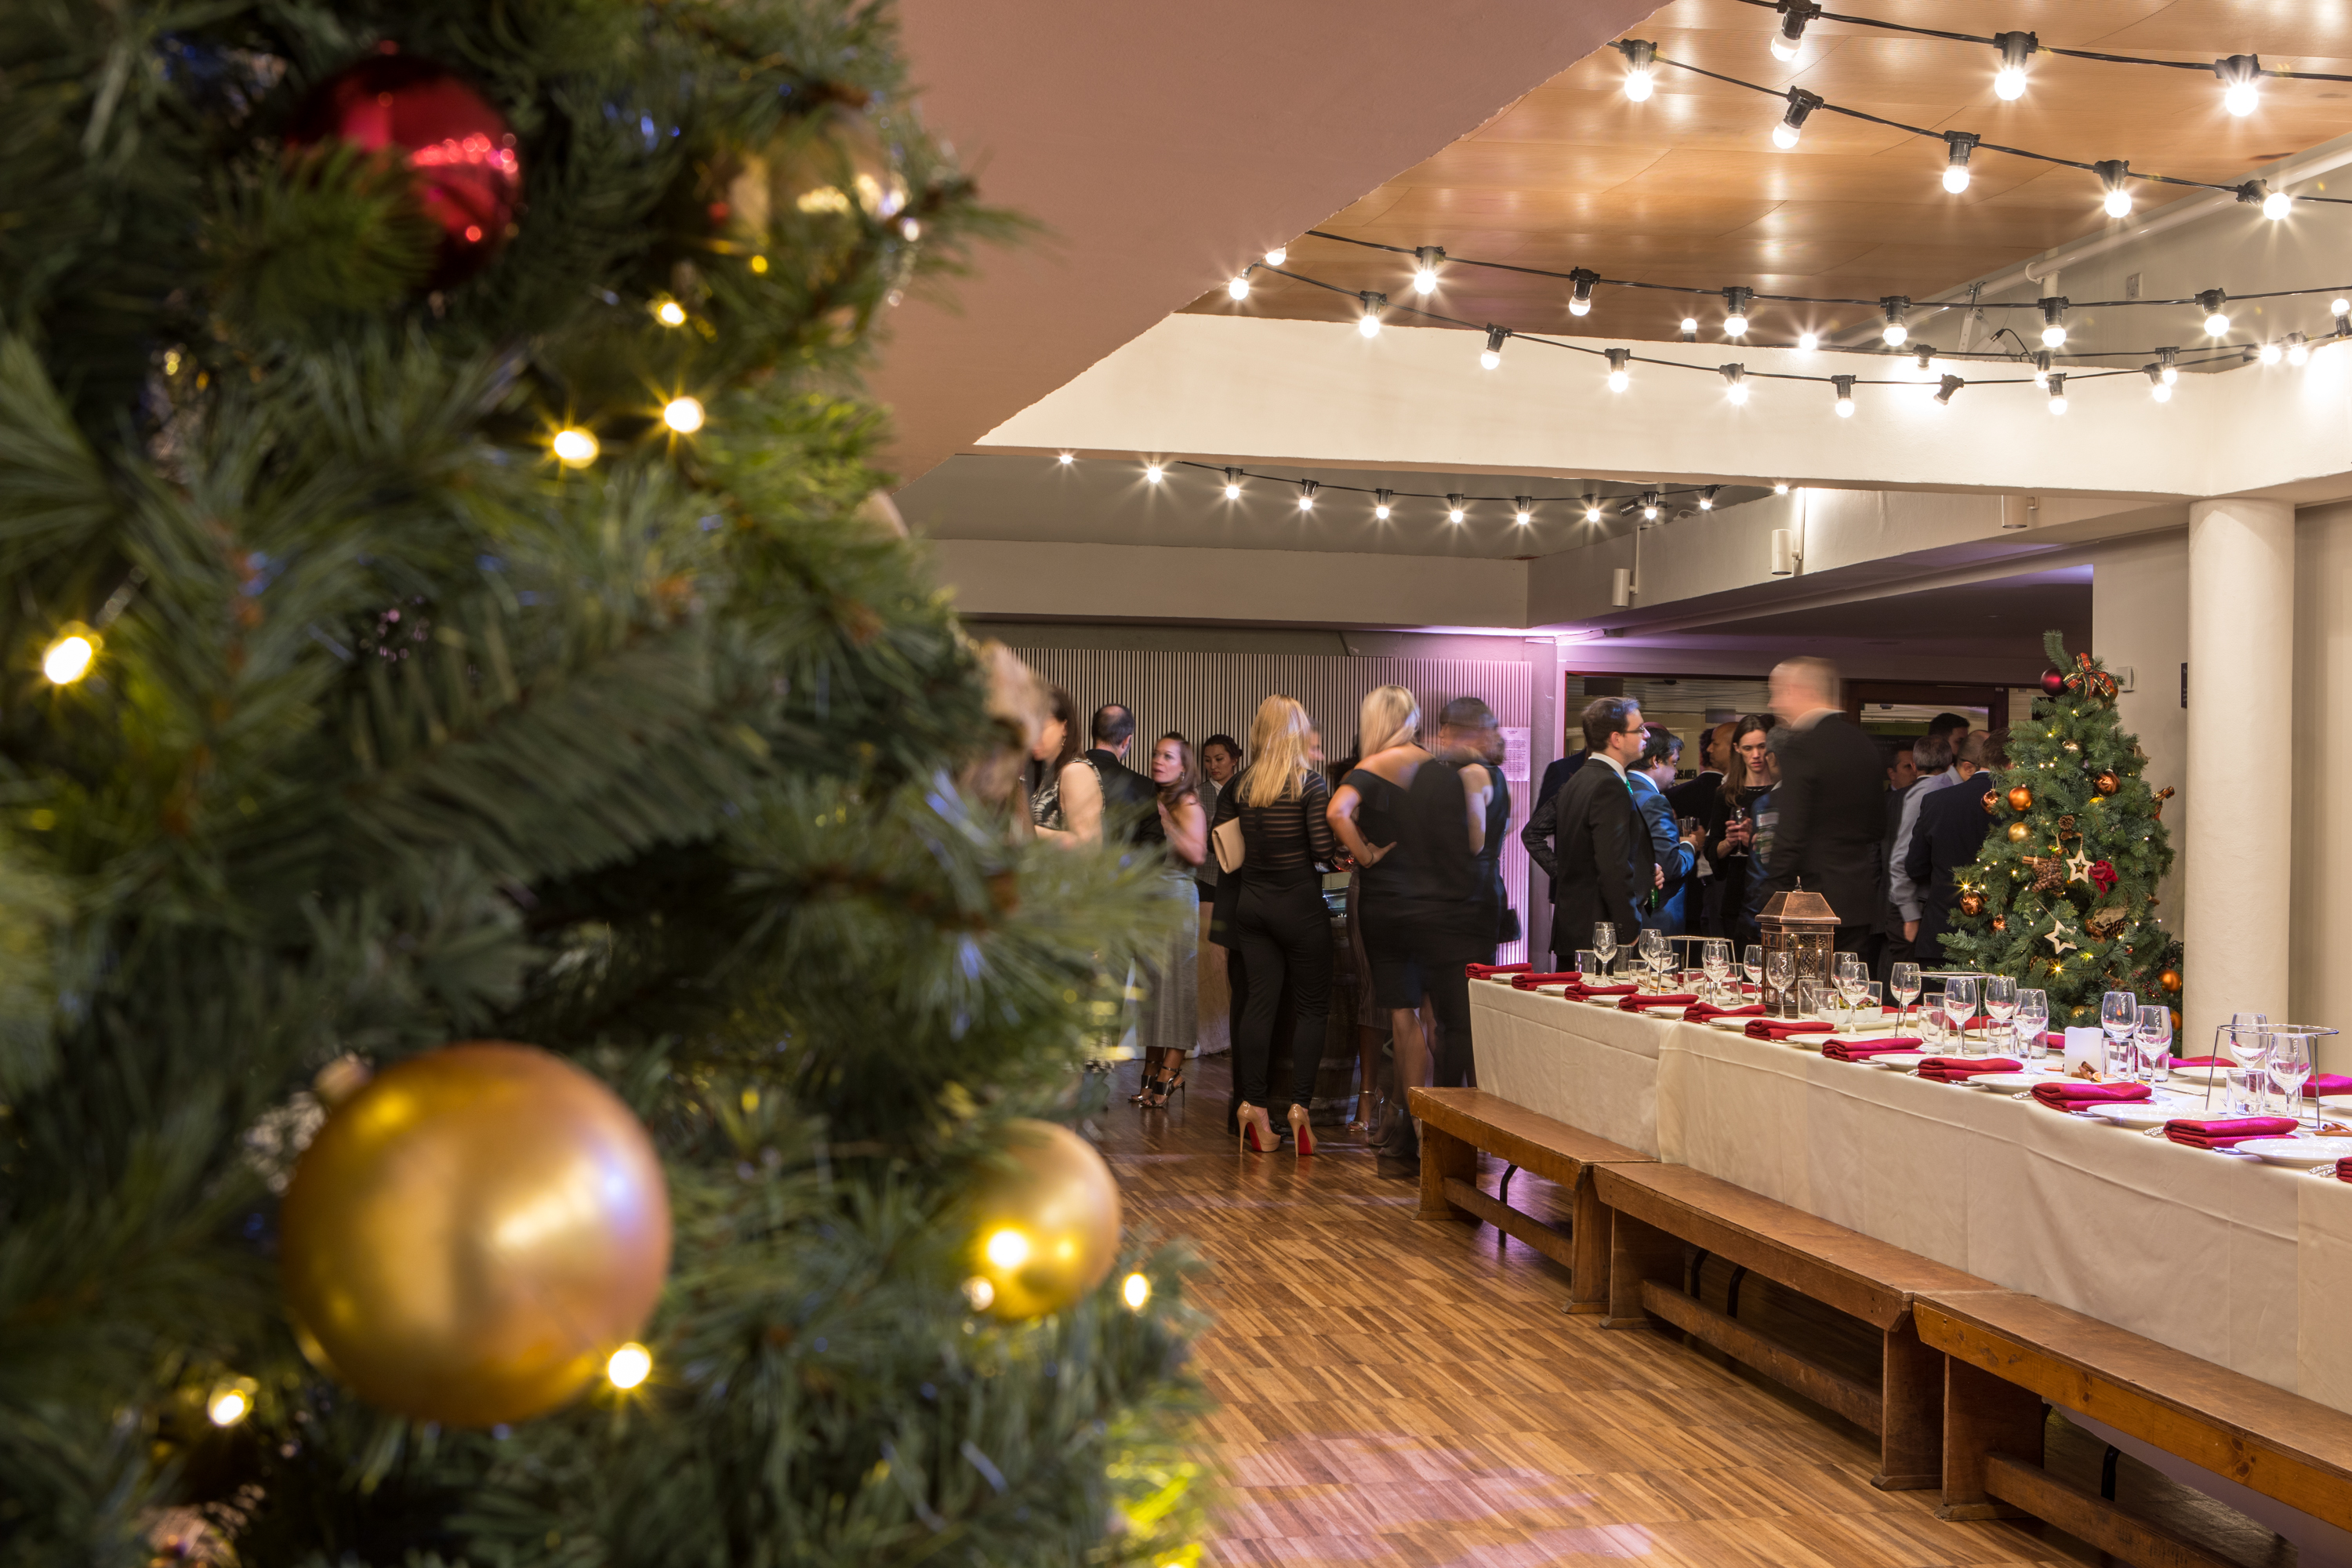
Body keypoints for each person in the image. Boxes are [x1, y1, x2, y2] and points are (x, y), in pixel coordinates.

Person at [1212, 695, 1338, 1156]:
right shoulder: (1310, 784)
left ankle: (1253, 1107)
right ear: (1297, 733)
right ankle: (1300, 1108)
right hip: (1299, 908)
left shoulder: (1240, 785)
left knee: (1258, 1007)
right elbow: (1322, 850)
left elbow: (1224, 848)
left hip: (1252, 907)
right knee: (1311, 1009)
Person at [1327, 685, 1430, 1144]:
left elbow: (1337, 812)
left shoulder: (1370, 769)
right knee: (1428, 1016)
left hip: (1386, 896)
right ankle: (1423, 1120)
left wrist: (1366, 855)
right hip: (1431, 898)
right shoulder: (1434, 767)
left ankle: (1405, 1121)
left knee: (1400, 1014)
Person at [1760, 657, 1885, 950]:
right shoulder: (1863, 743)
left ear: (1797, 690)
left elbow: (1791, 833)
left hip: (1810, 904)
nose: (1772, 704)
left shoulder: (1802, 746)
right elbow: (1878, 826)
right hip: (1858, 901)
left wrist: (1770, 897)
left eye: (1776, 693)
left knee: (1805, 980)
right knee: (1850, 979)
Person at [1521, 696, 1648, 963]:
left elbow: (1585, 848)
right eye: (1639, 729)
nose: (1646, 735)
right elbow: (1612, 865)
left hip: (1576, 928)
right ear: (1616, 738)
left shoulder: (1577, 779)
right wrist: (1628, 928)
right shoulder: (1608, 785)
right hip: (1602, 935)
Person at [1135, 734, 1207, 1108]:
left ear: (1183, 767)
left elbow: (1198, 853)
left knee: (1176, 989)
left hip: (1177, 902)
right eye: (1156, 754)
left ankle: (1171, 1070)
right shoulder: (1151, 800)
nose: (1158, 761)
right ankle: (1151, 1067)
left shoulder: (1189, 803)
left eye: (1168, 756)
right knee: (1152, 991)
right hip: (1149, 903)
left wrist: (1168, 824)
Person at [1904, 729, 2003, 964]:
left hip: (1942, 932)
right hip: (2002, 939)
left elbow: (1915, 867)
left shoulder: (1936, 801)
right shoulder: (2021, 806)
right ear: (2011, 764)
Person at [1887, 730, 1959, 954]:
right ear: (1950, 764)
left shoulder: (1925, 791)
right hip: (1916, 906)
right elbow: (1903, 857)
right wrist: (1910, 915)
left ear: (1915, 765)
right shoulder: (1937, 791)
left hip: (1915, 904)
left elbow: (1901, 856)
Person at [1710, 712, 1778, 942]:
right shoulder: (1726, 794)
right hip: (1737, 896)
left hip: (1773, 895)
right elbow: (1712, 850)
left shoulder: (1781, 793)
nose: (1756, 755)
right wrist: (1728, 843)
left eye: (1762, 746)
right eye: (1748, 748)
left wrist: (1755, 841)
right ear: (1737, 748)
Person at [1628, 725, 1700, 937]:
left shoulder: (1619, 788)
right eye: (1674, 763)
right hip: (1655, 915)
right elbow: (1670, 866)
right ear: (1656, 761)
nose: (1676, 772)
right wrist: (1689, 846)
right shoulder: (1654, 800)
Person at [1669, 720, 1737, 935]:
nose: (1709, 750)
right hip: (1709, 893)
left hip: (1726, 893)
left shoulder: (1736, 791)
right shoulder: (1723, 788)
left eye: (1715, 744)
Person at [1194, 732, 1238, 1057]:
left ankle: (1238, 1031)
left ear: (1234, 759)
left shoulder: (1246, 789)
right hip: (1207, 881)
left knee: (1236, 960)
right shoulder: (1198, 794)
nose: (1213, 766)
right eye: (1208, 760)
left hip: (1241, 883)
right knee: (1211, 960)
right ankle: (1215, 1040)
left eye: (1219, 759)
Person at [1065, 702, 1161, 848]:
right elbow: (1154, 850)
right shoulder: (1144, 787)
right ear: (1126, 741)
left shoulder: (1064, 773)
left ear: (1093, 734)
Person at [1027, 685, 1082, 837]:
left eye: (1041, 726)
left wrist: (1028, 832)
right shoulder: (1042, 771)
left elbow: (1088, 843)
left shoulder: (1076, 771)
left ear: (1065, 727)